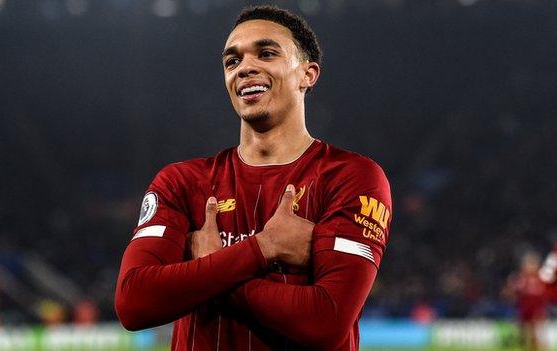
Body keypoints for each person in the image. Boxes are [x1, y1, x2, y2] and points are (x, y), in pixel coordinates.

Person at [115, 5, 392, 350]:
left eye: (266, 53)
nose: (245, 67)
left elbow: (326, 321)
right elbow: (134, 303)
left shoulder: (352, 177)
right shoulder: (181, 182)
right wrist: (261, 249)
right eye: (232, 61)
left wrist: (209, 271)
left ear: (308, 74)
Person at [505, 252, 548, 351]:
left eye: (532, 264)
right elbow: (510, 294)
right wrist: (510, 288)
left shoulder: (541, 278)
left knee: (535, 335)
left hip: (536, 311)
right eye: (528, 264)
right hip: (523, 310)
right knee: (522, 335)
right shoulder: (521, 279)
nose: (530, 267)